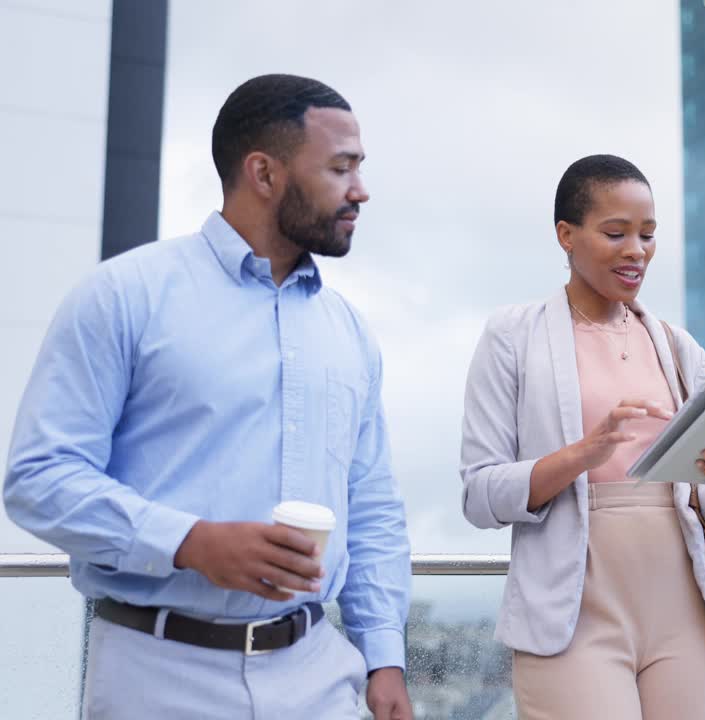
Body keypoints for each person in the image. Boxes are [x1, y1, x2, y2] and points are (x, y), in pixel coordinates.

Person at [4, 74, 411, 720]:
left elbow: (372, 507)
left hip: (321, 677)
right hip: (157, 675)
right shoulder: (122, 296)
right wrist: (189, 542)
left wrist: (384, 656)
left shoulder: (349, 331)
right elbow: (37, 477)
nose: (360, 191)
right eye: (341, 169)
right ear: (264, 173)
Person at [459, 154, 705, 719]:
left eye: (647, 234)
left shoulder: (679, 347)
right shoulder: (511, 337)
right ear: (566, 235)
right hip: (572, 618)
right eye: (615, 233)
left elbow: (701, 509)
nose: (636, 250)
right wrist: (583, 454)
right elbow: (478, 496)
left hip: (683, 612)